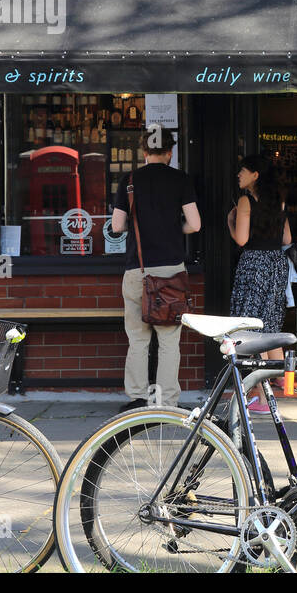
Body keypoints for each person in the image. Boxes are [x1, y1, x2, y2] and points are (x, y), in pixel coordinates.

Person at [109, 127, 201, 411]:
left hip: (139, 270)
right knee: (169, 340)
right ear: (170, 152)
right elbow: (195, 224)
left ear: (144, 152)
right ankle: (166, 401)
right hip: (171, 271)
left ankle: (137, 398)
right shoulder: (181, 180)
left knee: (137, 338)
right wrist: (175, 230)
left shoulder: (130, 181)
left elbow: (117, 226)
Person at [228, 155, 293, 412]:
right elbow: (287, 236)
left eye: (242, 171)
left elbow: (242, 240)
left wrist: (230, 223)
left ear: (255, 174)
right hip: (277, 264)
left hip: (254, 264)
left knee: (254, 329)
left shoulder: (245, 201)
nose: (238, 175)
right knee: (271, 325)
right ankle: (286, 381)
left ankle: (263, 399)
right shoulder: (279, 200)